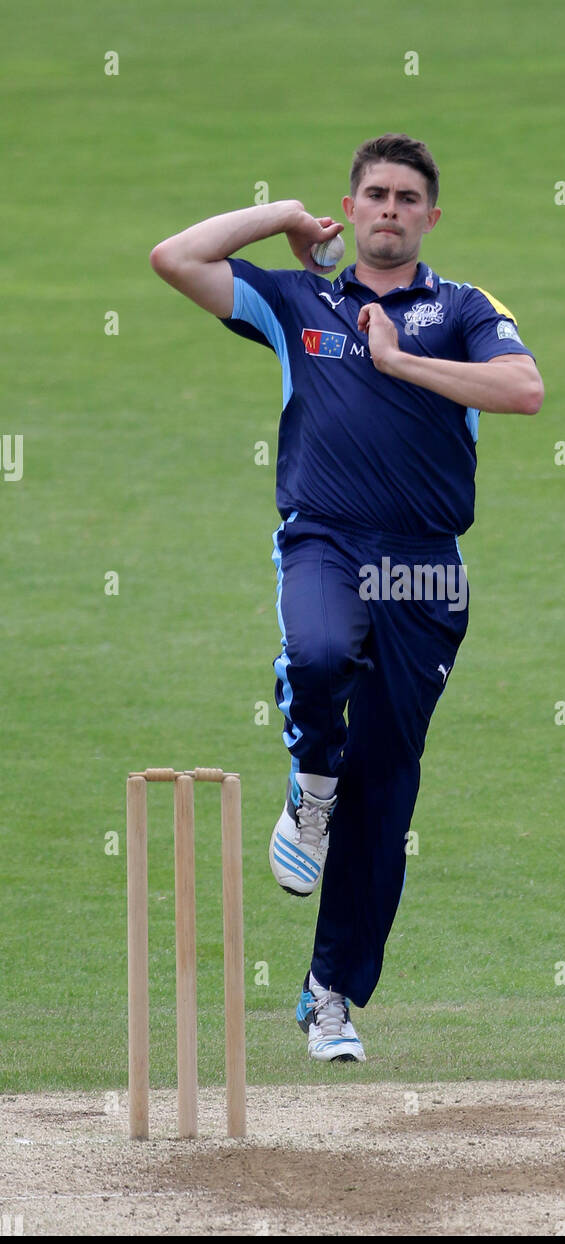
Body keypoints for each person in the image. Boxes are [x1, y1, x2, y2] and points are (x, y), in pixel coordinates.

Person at [150, 132, 543, 1063]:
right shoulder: (298, 300)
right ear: (351, 207)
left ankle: (331, 995)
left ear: (431, 217)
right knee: (321, 654)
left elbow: (523, 390)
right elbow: (177, 258)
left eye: (409, 198)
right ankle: (309, 783)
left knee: (388, 791)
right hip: (325, 536)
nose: (392, 210)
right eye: (375, 194)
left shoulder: (464, 308)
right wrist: (280, 216)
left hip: (425, 566)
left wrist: (402, 362)